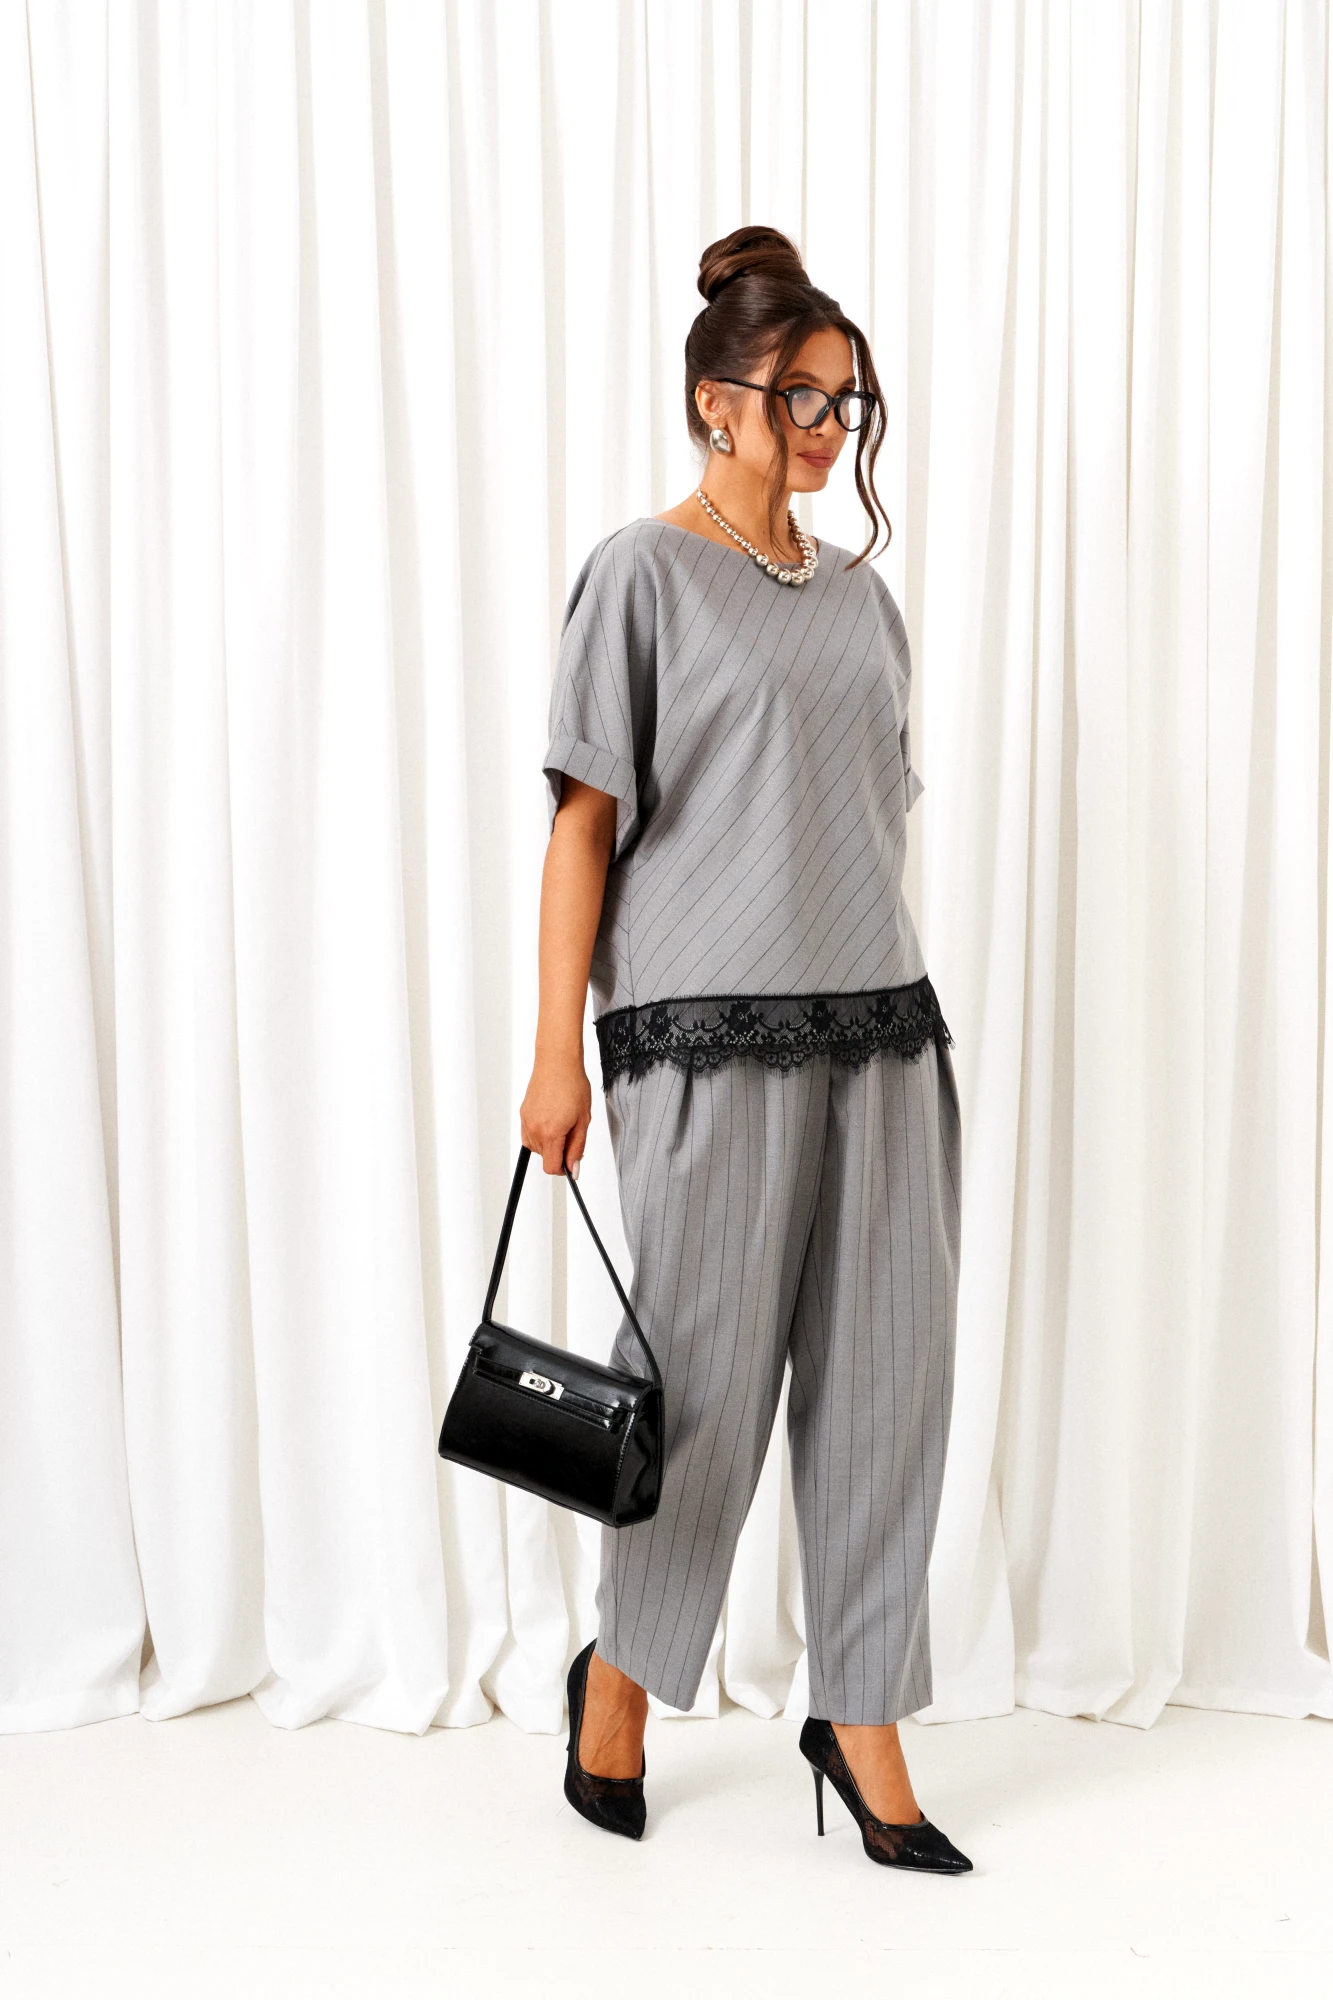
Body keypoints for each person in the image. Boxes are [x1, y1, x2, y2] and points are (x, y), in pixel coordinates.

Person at [519, 225, 970, 1874]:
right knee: (697, 1396)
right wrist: (556, 1054)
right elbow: (585, 826)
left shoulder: (863, 600)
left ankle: (862, 1718)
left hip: (884, 1038)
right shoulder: (640, 575)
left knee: (889, 1391)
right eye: (801, 397)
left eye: (849, 400)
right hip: (700, 1049)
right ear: (716, 400)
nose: (831, 427)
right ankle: (621, 1679)